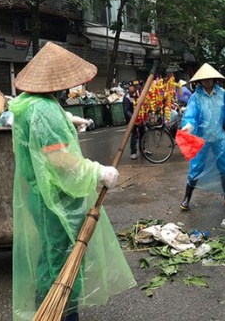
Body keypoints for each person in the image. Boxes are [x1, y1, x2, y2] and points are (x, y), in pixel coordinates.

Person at [9, 42, 136, 321]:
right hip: (54, 199)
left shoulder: (30, 104)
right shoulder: (44, 111)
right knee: (63, 262)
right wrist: (98, 171)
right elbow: (58, 161)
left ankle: (49, 311)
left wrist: (67, 119)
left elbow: (40, 140)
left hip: (39, 195)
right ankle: (63, 315)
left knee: (50, 260)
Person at [179, 63, 225, 211]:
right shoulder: (196, 97)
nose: (207, 82)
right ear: (199, 81)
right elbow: (191, 115)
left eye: (210, 79)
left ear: (214, 79)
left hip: (219, 137)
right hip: (201, 138)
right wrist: (188, 125)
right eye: (204, 79)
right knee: (196, 167)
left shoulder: (222, 94)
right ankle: (187, 197)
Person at [123, 80, 148, 160]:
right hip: (132, 120)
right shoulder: (127, 97)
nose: (136, 88)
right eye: (134, 87)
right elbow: (126, 111)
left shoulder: (138, 94)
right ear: (130, 87)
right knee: (134, 135)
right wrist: (133, 118)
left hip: (140, 117)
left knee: (143, 134)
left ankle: (143, 149)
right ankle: (133, 152)